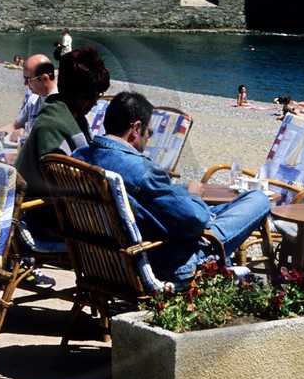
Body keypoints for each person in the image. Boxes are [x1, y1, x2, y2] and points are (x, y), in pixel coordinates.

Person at [75, 92, 272, 285]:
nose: (148, 138)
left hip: (101, 260)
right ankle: (223, 272)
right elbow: (193, 221)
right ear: (136, 129)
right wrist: (195, 195)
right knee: (258, 200)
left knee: (220, 210)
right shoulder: (141, 170)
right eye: (149, 132)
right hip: (165, 261)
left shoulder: (77, 158)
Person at [16, 44, 110, 214]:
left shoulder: (61, 115)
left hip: (47, 209)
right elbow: (70, 186)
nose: (95, 102)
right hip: (43, 215)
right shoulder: (54, 127)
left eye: (98, 95)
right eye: (90, 96)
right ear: (74, 92)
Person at [8, 54, 56, 141]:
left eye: (27, 79)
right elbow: (14, 126)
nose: (25, 84)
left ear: (44, 78)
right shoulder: (33, 99)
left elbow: (53, 137)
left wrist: (26, 134)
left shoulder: (61, 103)